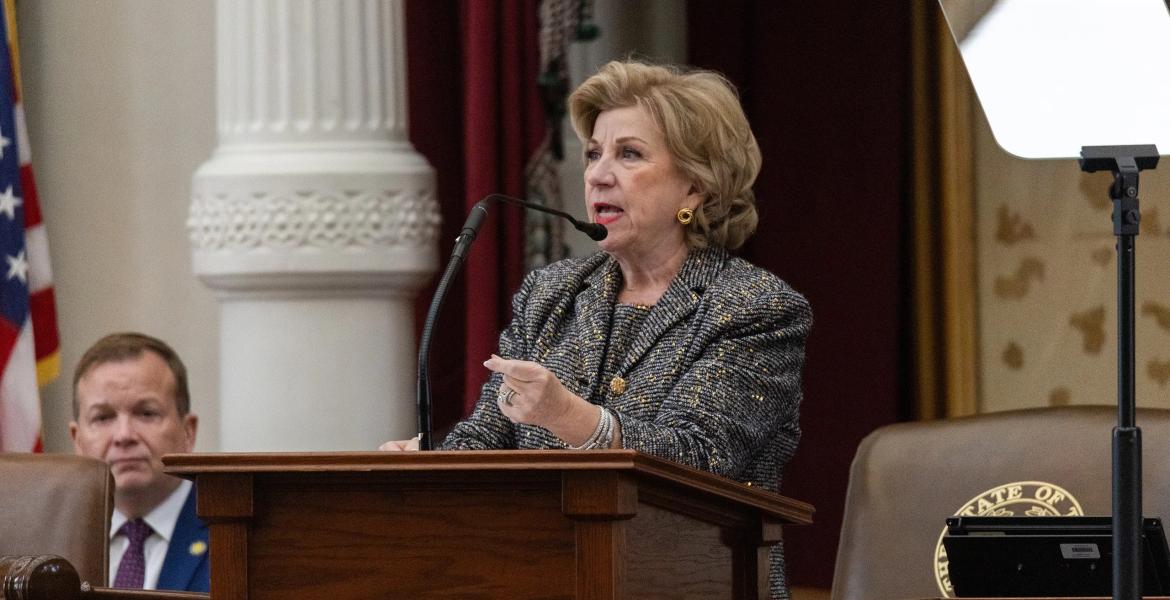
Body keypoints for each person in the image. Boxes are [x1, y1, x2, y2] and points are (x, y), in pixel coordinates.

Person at [382, 60, 811, 599]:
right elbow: (490, 435)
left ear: (695, 188)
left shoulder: (754, 307)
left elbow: (699, 463)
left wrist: (570, 418)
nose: (597, 174)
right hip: (541, 578)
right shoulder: (552, 293)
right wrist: (426, 467)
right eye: (593, 154)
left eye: (628, 154)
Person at [69, 332, 209, 592]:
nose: (124, 436)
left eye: (146, 413)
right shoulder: (52, 538)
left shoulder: (235, 532)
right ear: (77, 439)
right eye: (103, 418)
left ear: (188, 431)